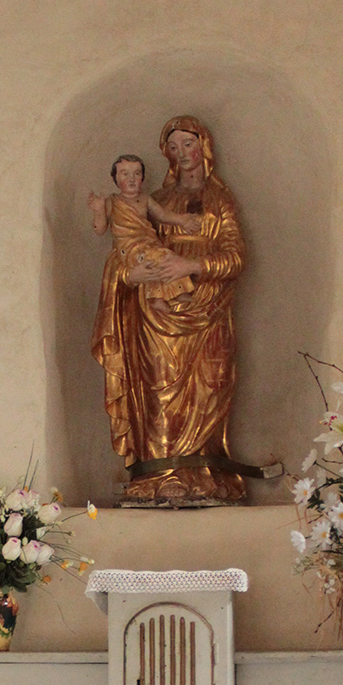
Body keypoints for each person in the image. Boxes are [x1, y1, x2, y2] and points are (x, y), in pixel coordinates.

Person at [90, 117, 247, 506]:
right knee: (160, 390)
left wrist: (190, 266)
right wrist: (130, 275)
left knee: (211, 385)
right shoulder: (153, 200)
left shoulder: (220, 201)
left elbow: (236, 258)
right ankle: (160, 473)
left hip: (209, 308)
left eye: (188, 144)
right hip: (158, 314)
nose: (182, 154)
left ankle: (204, 472)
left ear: (203, 147)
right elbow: (126, 250)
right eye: (173, 147)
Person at [87, 155, 204, 310]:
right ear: (115, 178)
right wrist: (98, 211)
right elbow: (100, 229)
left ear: (142, 177)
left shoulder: (145, 199)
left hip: (149, 242)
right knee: (152, 261)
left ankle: (177, 291)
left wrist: (182, 220)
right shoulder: (112, 202)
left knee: (168, 257)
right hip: (129, 247)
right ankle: (156, 298)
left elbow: (162, 215)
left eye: (137, 173)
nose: (132, 179)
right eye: (125, 174)